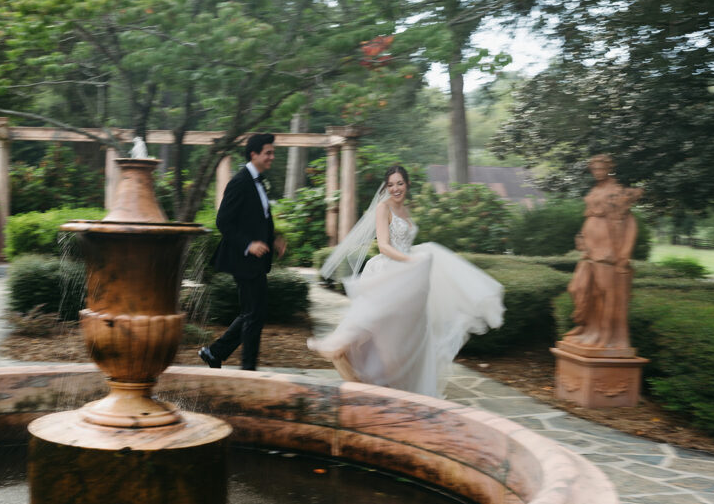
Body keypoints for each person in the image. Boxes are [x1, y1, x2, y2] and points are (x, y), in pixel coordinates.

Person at [307, 165, 504, 397]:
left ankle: (392, 381)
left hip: (410, 277)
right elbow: (384, 246)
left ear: (407, 184)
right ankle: (341, 348)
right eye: (390, 185)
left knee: (405, 333)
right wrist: (410, 260)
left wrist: (415, 261)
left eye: (399, 183)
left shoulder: (406, 210)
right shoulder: (383, 208)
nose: (395, 188)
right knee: (376, 320)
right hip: (389, 270)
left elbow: (407, 242)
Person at [199, 133, 286, 370]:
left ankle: (215, 353)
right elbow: (223, 222)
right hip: (243, 260)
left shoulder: (258, 180)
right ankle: (248, 369)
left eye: (272, 152)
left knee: (253, 313)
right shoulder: (240, 181)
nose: (272, 157)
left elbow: (259, 219)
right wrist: (249, 244)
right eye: (268, 152)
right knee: (254, 314)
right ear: (254, 154)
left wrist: (273, 239)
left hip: (255, 261)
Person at [563, 154, 641, 350]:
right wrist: (581, 235)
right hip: (589, 249)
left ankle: (603, 334)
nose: (597, 172)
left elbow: (630, 223)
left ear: (608, 169)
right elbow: (590, 217)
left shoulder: (616, 191)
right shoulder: (595, 189)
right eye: (594, 169)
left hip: (606, 249)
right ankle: (586, 327)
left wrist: (624, 254)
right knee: (578, 288)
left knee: (604, 294)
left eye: (601, 168)